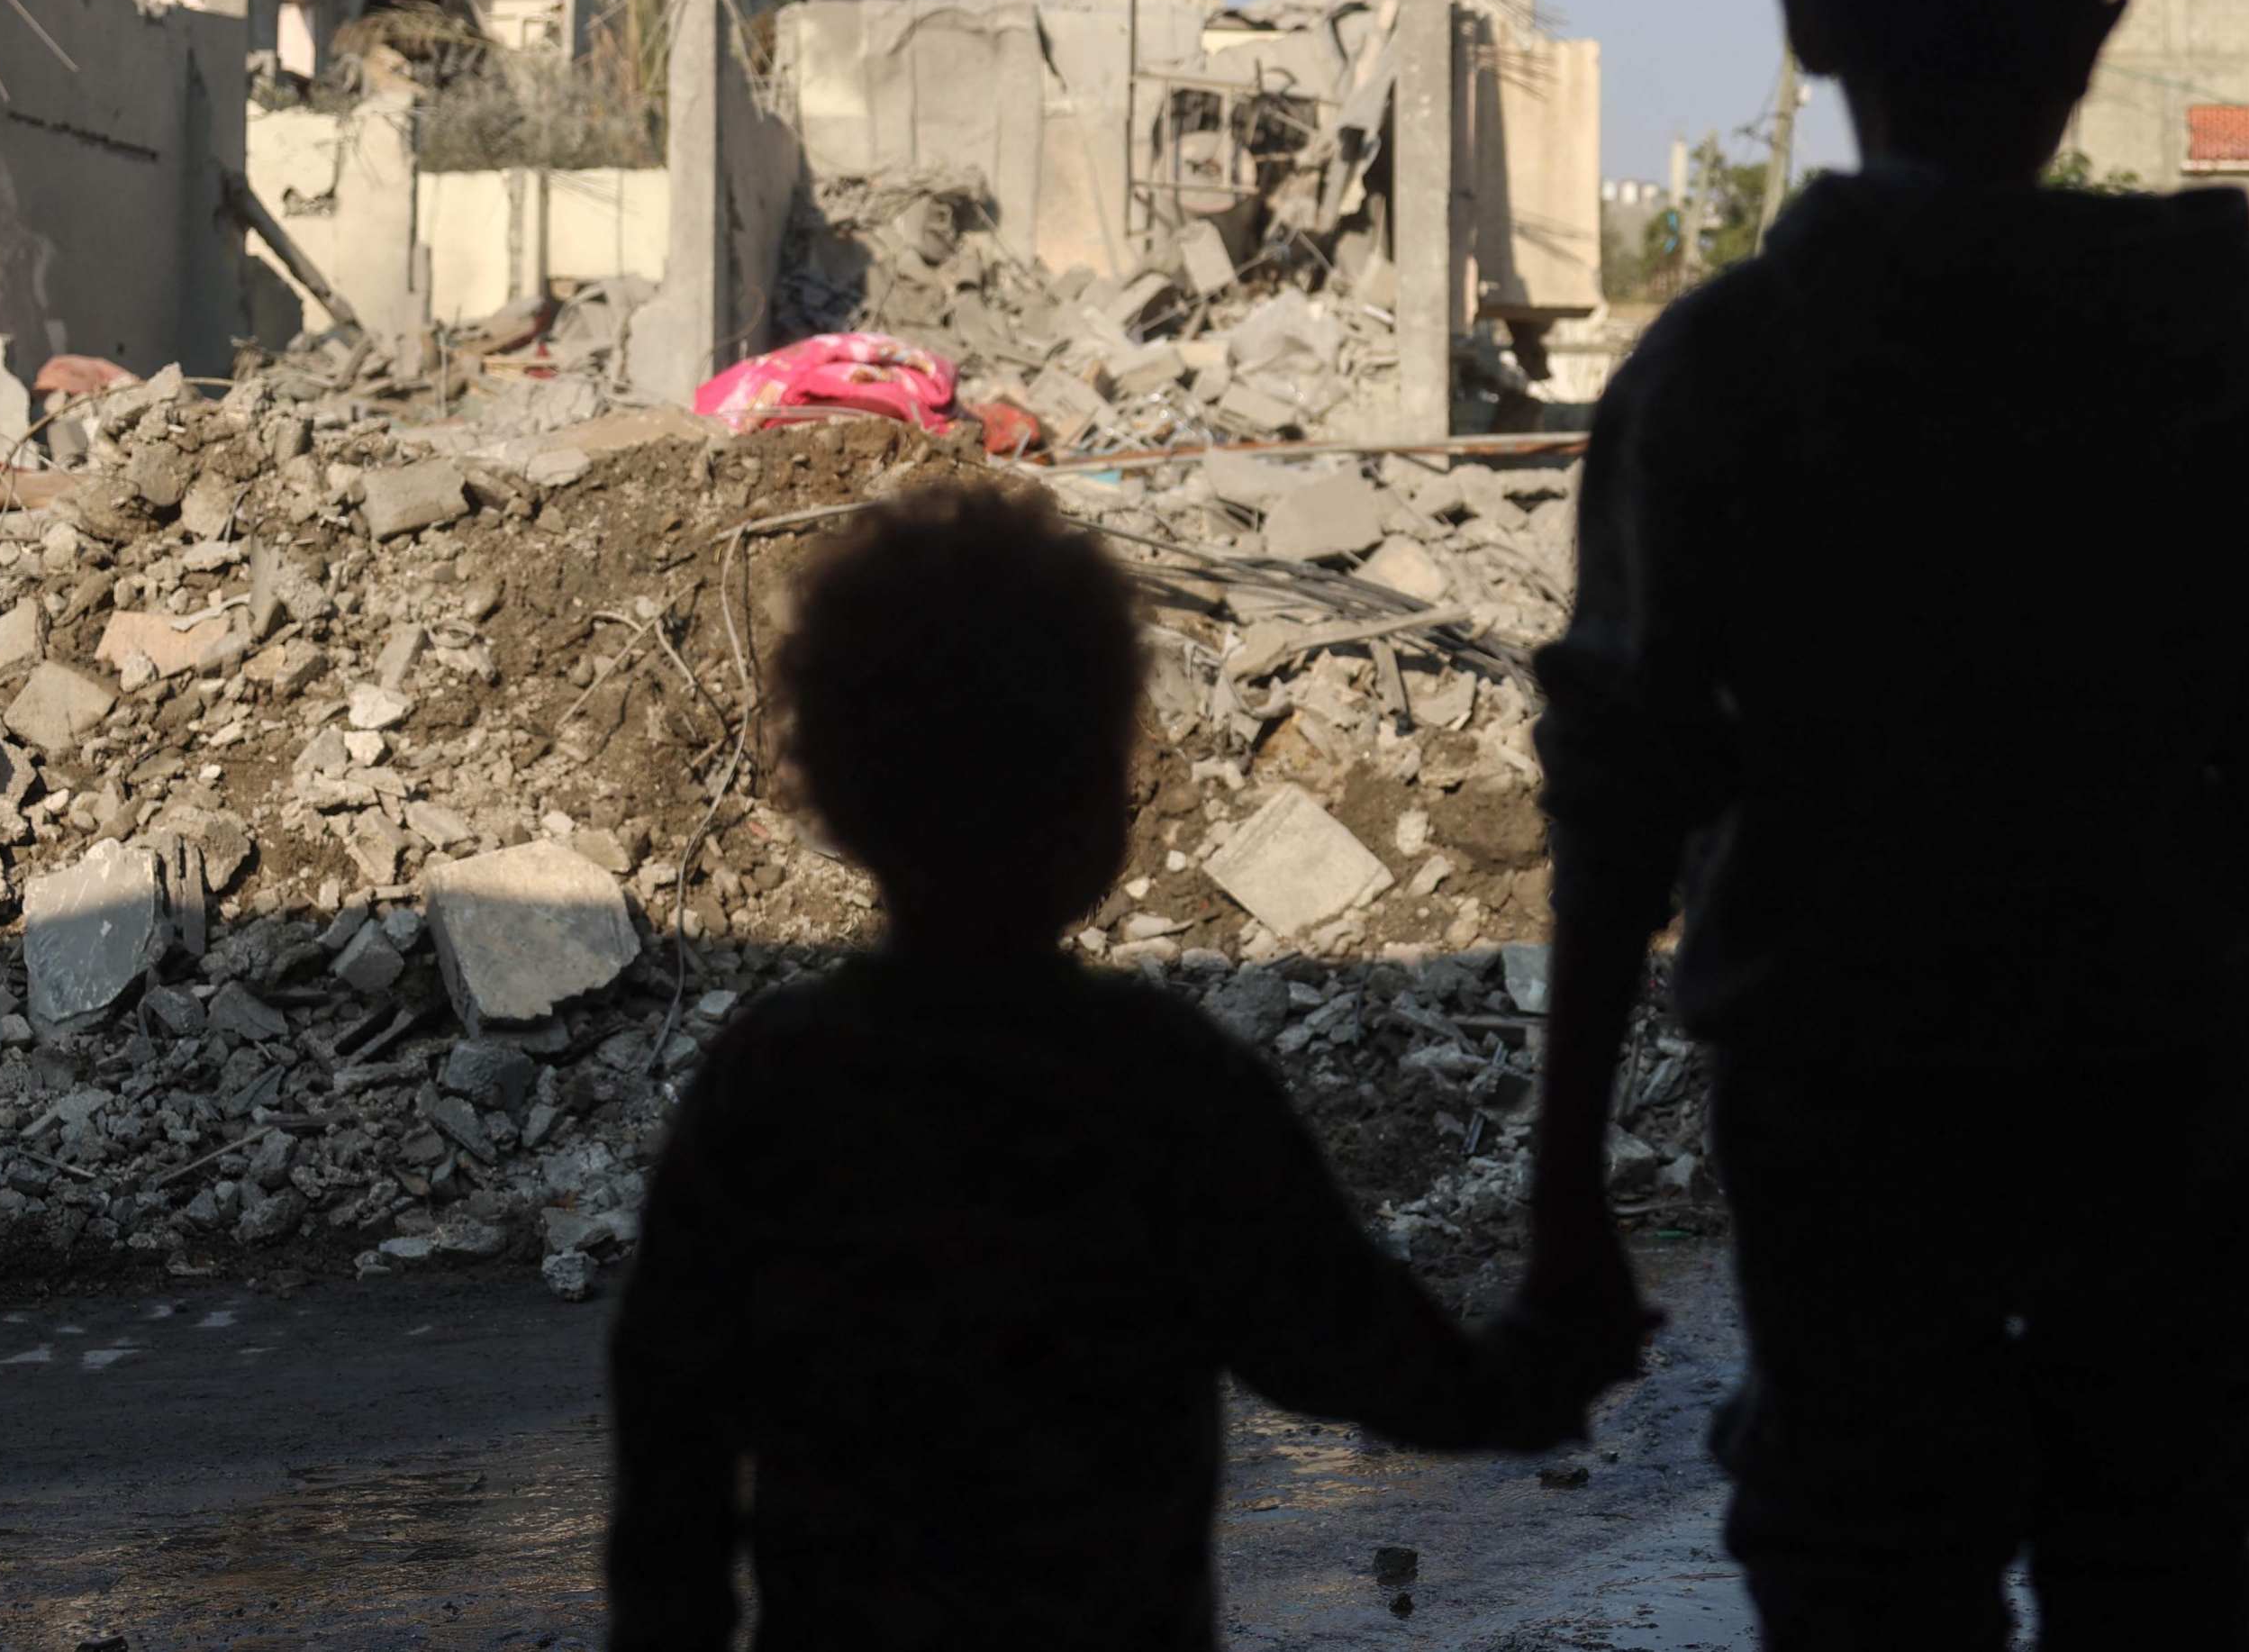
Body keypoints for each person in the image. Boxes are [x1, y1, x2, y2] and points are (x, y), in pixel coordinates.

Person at [1515, 0, 2249, 1648]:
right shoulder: (2200, 382)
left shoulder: (1724, 375)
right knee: (2155, 1559)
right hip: (2155, 1107)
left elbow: (1617, 797)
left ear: (1805, 21)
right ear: (2095, 37)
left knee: (1860, 1563)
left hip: (1847, 1116)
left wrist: (1564, 1184)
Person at [608, 479, 1614, 1650]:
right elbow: (1350, 1348)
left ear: (836, 790)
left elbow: (667, 1431)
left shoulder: (769, 1084)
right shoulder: (1165, 1085)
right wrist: (1543, 1368)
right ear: (1094, 805)